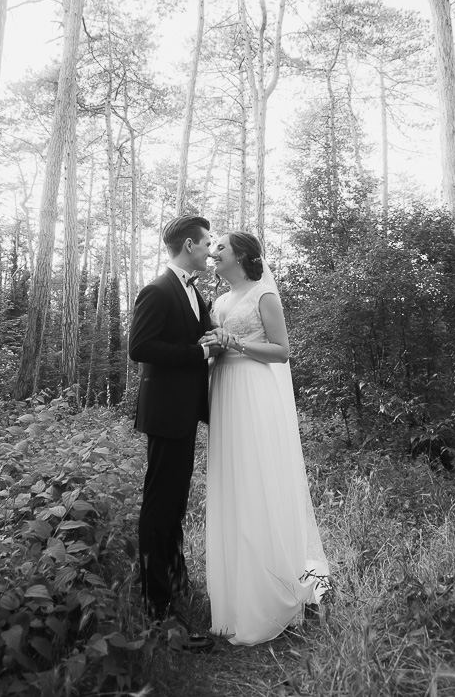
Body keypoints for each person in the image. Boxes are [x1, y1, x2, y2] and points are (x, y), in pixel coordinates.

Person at [201, 231, 329, 646]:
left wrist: (236, 342)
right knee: (233, 484)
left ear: (241, 256)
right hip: (224, 390)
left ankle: (271, 592)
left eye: (221, 247)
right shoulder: (219, 302)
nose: (213, 252)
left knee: (257, 481)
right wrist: (212, 344)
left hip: (254, 390)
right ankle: (234, 599)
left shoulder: (264, 295)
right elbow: (216, 346)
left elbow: (282, 350)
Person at [128, 215, 221, 651]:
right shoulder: (158, 289)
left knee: (174, 503)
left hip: (182, 413)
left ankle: (175, 581)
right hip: (165, 414)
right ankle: (159, 611)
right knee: (159, 507)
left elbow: (201, 335)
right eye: (207, 243)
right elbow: (140, 347)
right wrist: (196, 352)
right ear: (188, 245)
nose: (210, 250)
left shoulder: (193, 291)